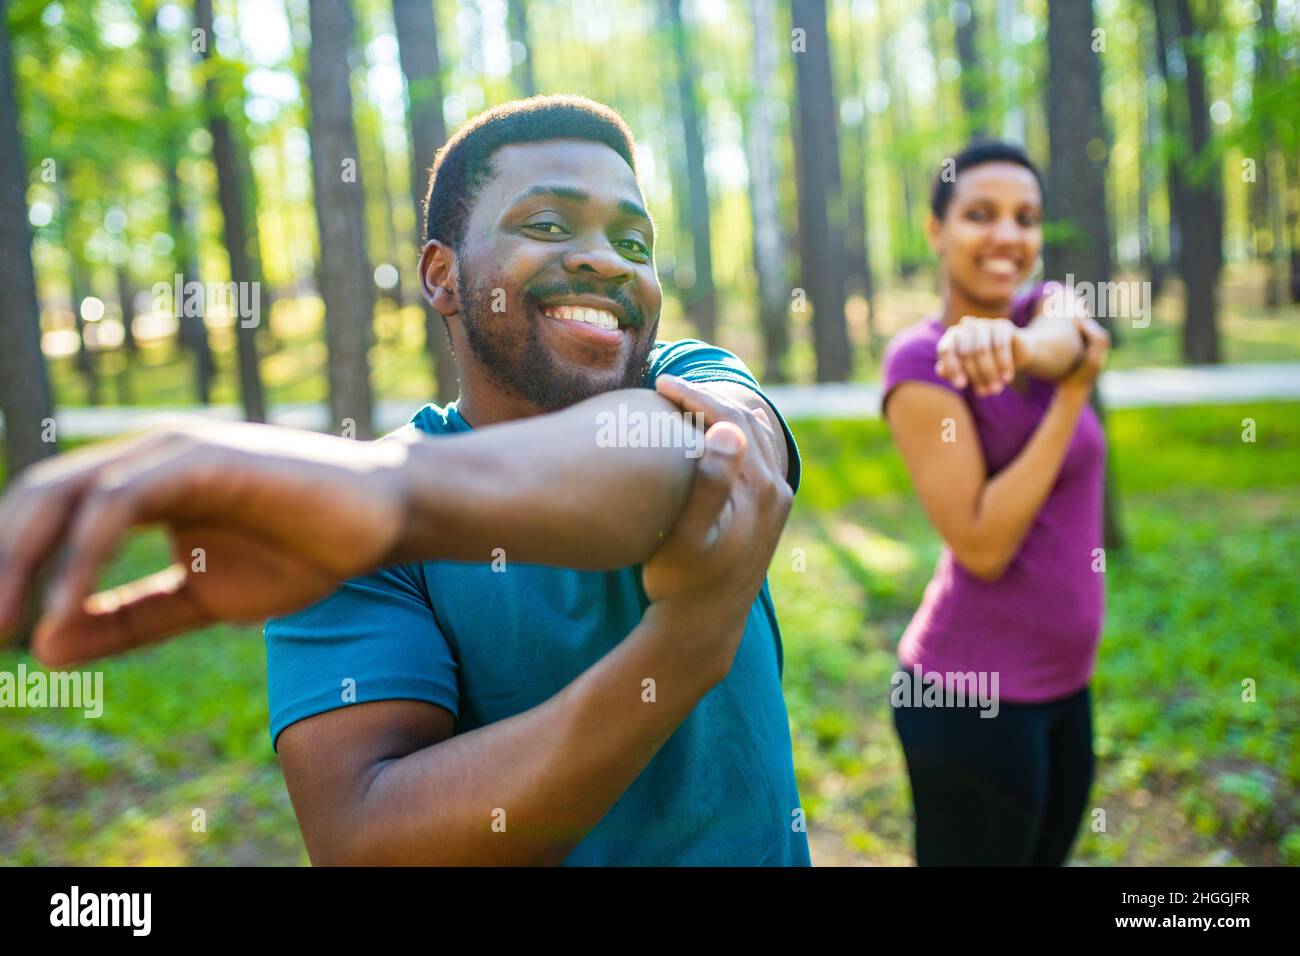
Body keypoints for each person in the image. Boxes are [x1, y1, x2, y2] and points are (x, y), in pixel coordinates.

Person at [0, 96, 809, 866]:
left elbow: (692, 464)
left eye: (635, 243)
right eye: (550, 224)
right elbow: (366, 841)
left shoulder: (690, 377)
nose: (605, 258)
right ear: (441, 276)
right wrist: (684, 645)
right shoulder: (333, 528)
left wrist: (388, 497)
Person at [880, 140, 1111, 866]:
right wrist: (1071, 395)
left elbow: (1070, 334)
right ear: (936, 230)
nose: (1009, 235)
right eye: (981, 214)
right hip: (968, 698)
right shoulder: (920, 361)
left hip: (1066, 687)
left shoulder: (1045, 309)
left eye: (1026, 217)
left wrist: (1013, 347)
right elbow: (981, 544)